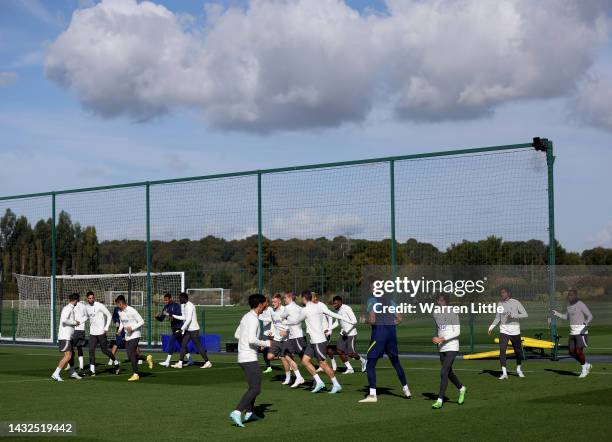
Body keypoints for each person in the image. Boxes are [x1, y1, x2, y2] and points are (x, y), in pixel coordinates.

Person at [283, 291, 352, 394]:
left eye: (302, 298)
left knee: (323, 364)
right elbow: (332, 313)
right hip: (313, 341)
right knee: (305, 361)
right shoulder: (318, 307)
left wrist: (284, 321)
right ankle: (319, 382)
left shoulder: (306, 310)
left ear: (304, 299)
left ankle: (336, 384)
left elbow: (296, 321)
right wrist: (345, 318)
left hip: (318, 341)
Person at [359, 291, 411, 403]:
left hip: (379, 335)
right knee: (396, 363)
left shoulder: (372, 300)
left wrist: (364, 321)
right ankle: (406, 389)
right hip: (391, 335)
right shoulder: (390, 301)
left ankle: (372, 395)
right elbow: (400, 318)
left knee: (370, 364)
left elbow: (372, 320)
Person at [229, 294, 272, 428]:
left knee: (253, 386)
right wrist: (266, 343)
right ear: (259, 304)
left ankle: (249, 413)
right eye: (265, 303)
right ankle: (237, 411)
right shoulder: (253, 319)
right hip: (249, 358)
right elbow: (251, 339)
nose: (266, 304)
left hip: (243, 357)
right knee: (256, 389)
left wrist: (255, 344)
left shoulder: (246, 317)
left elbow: (237, 335)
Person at [431, 293, 466, 409]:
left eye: (442, 300)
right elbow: (440, 329)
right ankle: (462, 388)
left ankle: (440, 399)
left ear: (446, 301)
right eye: (438, 300)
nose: (440, 302)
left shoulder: (453, 313)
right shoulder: (435, 313)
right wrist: (436, 338)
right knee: (449, 373)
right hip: (441, 347)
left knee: (443, 372)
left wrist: (442, 338)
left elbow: (457, 332)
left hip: (452, 346)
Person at [260, 293, 303, 385]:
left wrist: (286, 330)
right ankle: (283, 357)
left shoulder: (285, 309)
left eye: (275, 302)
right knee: (269, 356)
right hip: (276, 339)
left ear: (279, 301)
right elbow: (272, 322)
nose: (273, 303)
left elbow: (291, 322)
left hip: (285, 339)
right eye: (272, 302)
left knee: (286, 359)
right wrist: (271, 331)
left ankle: (290, 378)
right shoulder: (272, 311)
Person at [488, 287, 528, 379]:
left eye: (504, 292)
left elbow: (525, 314)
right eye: (501, 293)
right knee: (502, 351)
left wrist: (513, 315)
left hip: (515, 331)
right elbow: (498, 318)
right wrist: (491, 327)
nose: (502, 294)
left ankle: (518, 369)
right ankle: (504, 373)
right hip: (504, 331)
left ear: (508, 293)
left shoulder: (516, 302)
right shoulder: (500, 304)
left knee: (518, 352)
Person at [552, 289, 594, 378]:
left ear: (575, 296)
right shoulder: (568, 306)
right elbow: (566, 317)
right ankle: (586, 364)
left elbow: (590, 316)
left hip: (581, 332)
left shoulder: (581, 304)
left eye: (571, 295)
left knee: (578, 351)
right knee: (571, 352)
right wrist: (557, 314)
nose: (570, 297)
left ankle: (584, 370)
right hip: (572, 332)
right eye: (569, 295)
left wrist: (585, 323)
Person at [115, 295, 153, 381]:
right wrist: (120, 330)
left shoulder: (132, 310)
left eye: (117, 304)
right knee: (130, 356)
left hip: (135, 334)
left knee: (132, 353)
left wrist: (132, 328)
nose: (117, 306)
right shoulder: (119, 311)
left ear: (121, 303)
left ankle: (136, 374)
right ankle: (146, 358)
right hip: (127, 336)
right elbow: (122, 321)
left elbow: (142, 321)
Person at [170, 293, 212, 369]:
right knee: (183, 344)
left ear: (183, 298)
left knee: (198, 346)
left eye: (180, 298)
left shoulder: (189, 306)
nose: (179, 299)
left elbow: (188, 319)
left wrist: (181, 329)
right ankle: (180, 363)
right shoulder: (186, 305)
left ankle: (207, 362)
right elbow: (184, 317)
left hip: (193, 330)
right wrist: (173, 316)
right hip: (189, 330)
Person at [51, 293, 83, 382]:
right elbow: (64, 320)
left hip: (69, 337)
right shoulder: (68, 308)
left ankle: (72, 371)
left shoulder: (70, 308)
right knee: (68, 356)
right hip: (65, 337)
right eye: (78, 300)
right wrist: (75, 322)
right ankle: (56, 374)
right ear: (76, 300)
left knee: (72, 355)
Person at [331, 295, 366, 374]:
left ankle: (364, 361)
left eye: (335, 303)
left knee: (351, 354)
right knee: (339, 351)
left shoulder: (347, 308)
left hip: (351, 334)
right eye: (333, 303)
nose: (334, 305)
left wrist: (347, 331)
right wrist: (329, 328)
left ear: (340, 302)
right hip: (343, 334)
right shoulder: (337, 311)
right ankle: (350, 368)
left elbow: (354, 321)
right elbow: (337, 322)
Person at [84, 291, 116, 376]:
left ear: (94, 298)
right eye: (89, 298)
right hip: (92, 333)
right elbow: (87, 317)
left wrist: (106, 328)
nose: (91, 299)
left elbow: (109, 315)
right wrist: (79, 322)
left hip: (101, 332)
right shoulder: (86, 307)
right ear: (87, 299)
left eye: (92, 298)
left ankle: (116, 362)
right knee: (91, 350)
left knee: (104, 351)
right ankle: (92, 371)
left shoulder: (99, 305)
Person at [156, 293, 189, 367]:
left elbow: (180, 316)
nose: (166, 301)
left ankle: (167, 361)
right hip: (174, 328)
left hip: (179, 327)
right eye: (165, 300)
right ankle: (190, 360)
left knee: (171, 342)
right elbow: (161, 319)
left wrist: (171, 316)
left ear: (171, 298)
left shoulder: (176, 305)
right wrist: (157, 317)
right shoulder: (165, 307)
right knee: (181, 344)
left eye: (167, 300)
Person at [282, 292, 307, 388]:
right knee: (286, 355)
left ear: (290, 298)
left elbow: (281, 316)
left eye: (285, 298)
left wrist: (284, 320)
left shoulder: (288, 308)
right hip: (293, 337)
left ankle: (316, 379)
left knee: (305, 359)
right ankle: (299, 377)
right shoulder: (299, 308)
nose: (284, 300)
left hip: (297, 337)